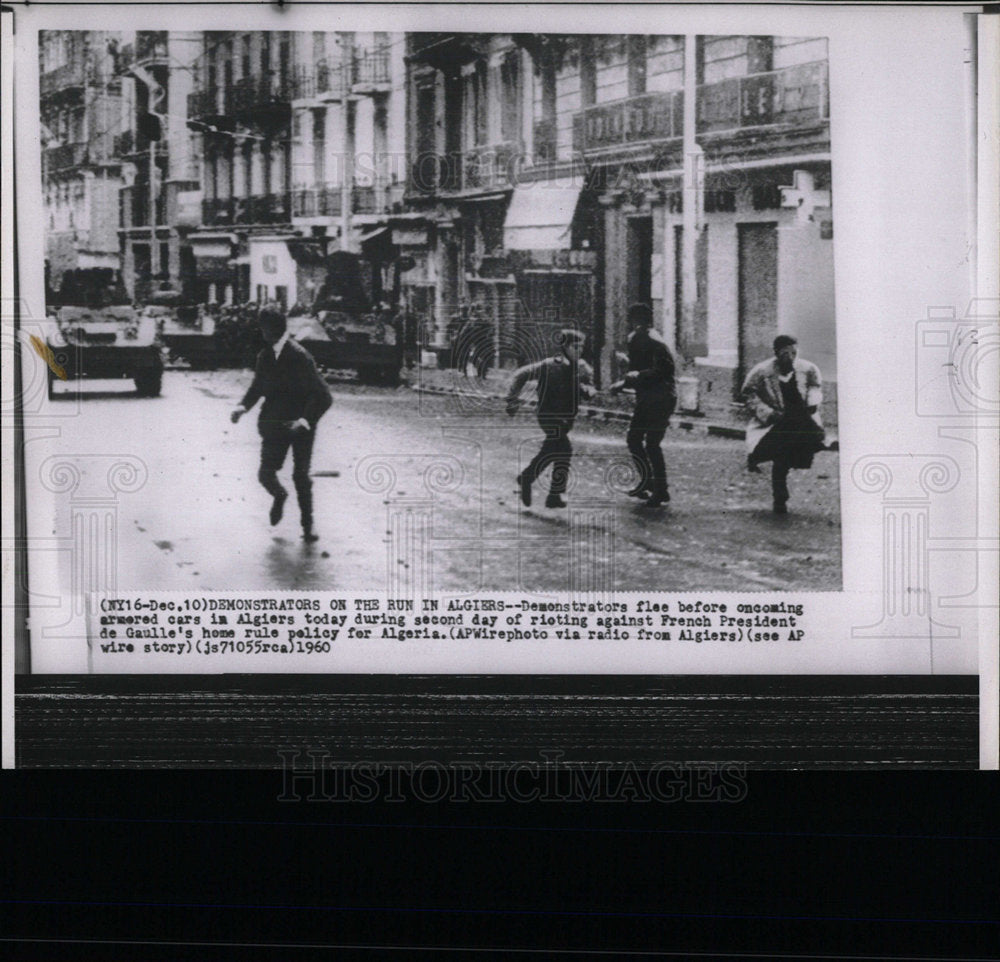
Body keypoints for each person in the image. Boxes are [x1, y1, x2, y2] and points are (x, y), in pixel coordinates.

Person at [230, 304, 333, 541]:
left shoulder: (299, 356)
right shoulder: (265, 356)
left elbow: (323, 396)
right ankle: (279, 496)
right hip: (274, 423)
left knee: (300, 476)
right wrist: (242, 406)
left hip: (300, 426)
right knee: (265, 474)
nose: (261, 332)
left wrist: (305, 421)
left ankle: (308, 526)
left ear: (272, 330)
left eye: (263, 328)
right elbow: (257, 386)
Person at [506, 328, 594, 509]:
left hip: (567, 417)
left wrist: (588, 390)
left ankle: (527, 479)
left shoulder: (582, 367)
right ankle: (554, 494)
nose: (579, 351)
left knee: (552, 450)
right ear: (565, 347)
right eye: (575, 347)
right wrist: (512, 400)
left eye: (581, 347)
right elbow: (520, 374)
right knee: (564, 449)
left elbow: (588, 387)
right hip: (548, 415)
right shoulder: (548, 365)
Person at [741, 334, 825, 514]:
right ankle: (780, 496)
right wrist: (768, 413)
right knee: (780, 459)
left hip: (800, 420)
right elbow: (748, 394)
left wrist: (812, 402)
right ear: (776, 353)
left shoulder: (807, 368)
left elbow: (815, 386)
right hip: (777, 422)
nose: (790, 357)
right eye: (785, 353)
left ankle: (780, 492)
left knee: (812, 442)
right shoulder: (762, 371)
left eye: (794, 352)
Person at [610, 303, 676, 509]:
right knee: (639, 440)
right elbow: (642, 368)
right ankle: (651, 484)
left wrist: (633, 376)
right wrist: (628, 376)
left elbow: (664, 369)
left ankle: (659, 489)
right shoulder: (646, 337)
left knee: (647, 442)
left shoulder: (648, 339)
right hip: (654, 397)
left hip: (659, 398)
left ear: (635, 320)